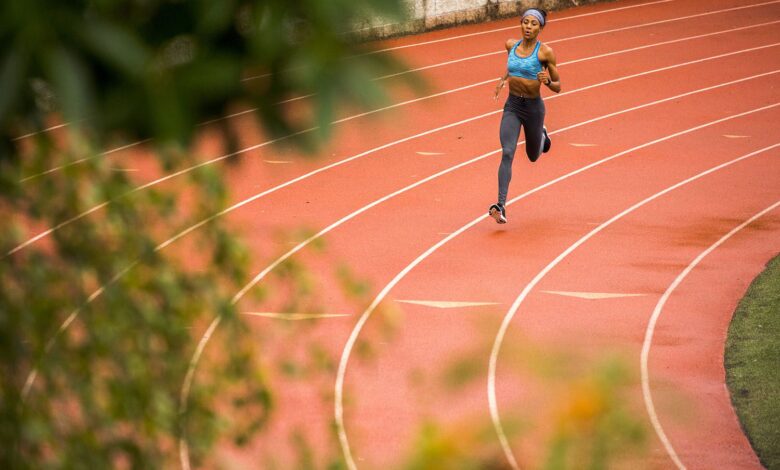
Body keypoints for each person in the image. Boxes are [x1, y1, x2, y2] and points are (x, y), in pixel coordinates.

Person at [489, 8, 561, 224]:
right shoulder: (511, 45)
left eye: (533, 24)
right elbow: (513, 67)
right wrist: (503, 79)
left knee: (532, 156)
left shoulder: (545, 53)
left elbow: (558, 87)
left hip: (533, 108)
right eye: (525, 22)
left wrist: (547, 81)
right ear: (520, 24)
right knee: (507, 152)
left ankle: (542, 137)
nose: (528, 27)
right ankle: (501, 205)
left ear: (540, 28)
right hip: (512, 105)